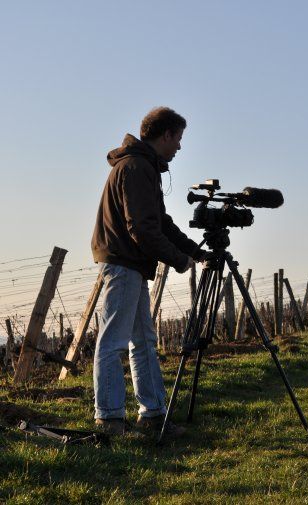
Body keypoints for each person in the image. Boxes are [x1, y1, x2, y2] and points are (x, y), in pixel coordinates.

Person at [91, 107, 206, 436]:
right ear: (166, 134)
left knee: (142, 341)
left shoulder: (141, 166)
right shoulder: (138, 167)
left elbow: (160, 221)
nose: (180, 147)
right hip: (124, 261)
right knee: (114, 342)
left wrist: (192, 250)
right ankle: (110, 417)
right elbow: (142, 227)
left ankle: (153, 415)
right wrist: (179, 259)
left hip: (130, 263)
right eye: (179, 138)